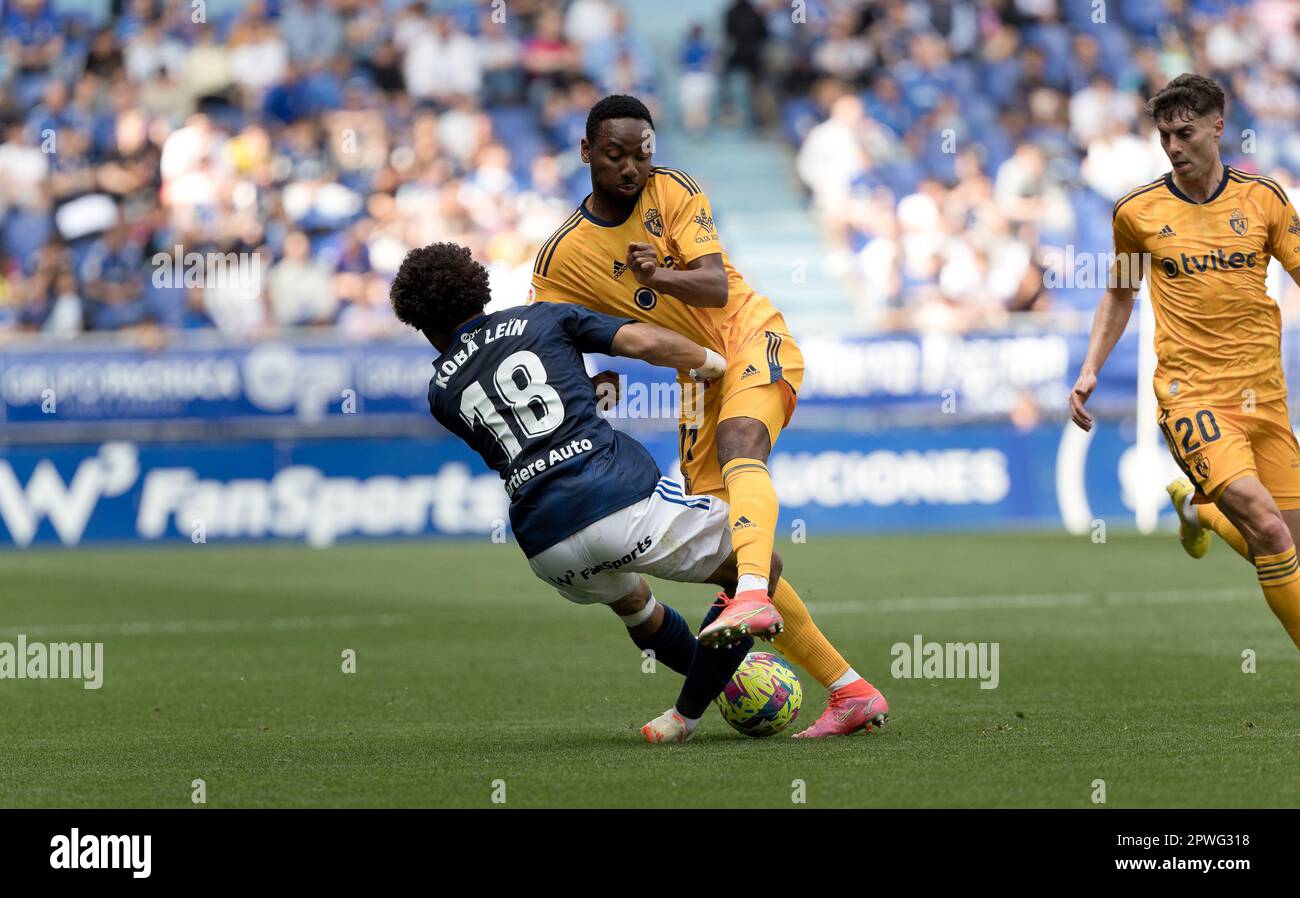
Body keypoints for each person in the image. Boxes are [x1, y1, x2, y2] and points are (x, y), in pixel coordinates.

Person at [529, 94, 889, 737]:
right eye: (616, 155)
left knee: (741, 445)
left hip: (751, 337)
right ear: (586, 152)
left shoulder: (674, 191)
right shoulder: (562, 255)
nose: (632, 168)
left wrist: (660, 274)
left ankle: (751, 597)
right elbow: (549, 334)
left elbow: (716, 286)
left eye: (643, 153)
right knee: (731, 533)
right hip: (696, 378)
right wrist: (591, 375)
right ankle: (848, 689)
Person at [390, 241, 799, 743]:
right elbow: (644, 343)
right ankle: (685, 716)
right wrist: (713, 364)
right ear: (480, 285)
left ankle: (723, 686)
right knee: (759, 566)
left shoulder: (440, 393)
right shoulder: (540, 319)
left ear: (418, 322)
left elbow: (530, 427)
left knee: (636, 605)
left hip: (547, 545)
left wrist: (587, 393)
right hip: (617, 498)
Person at [1070, 73, 1300, 649]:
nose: (1174, 147)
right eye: (1164, 135)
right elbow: (1120, 292)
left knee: (1284, 544)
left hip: (1266, 397)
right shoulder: (1136, 212)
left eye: (1185, 133)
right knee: (1268, 527)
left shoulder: (1264, 199)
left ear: (1218, 127)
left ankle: (1198, 513)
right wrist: (1090, 366)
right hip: (1190, 396)